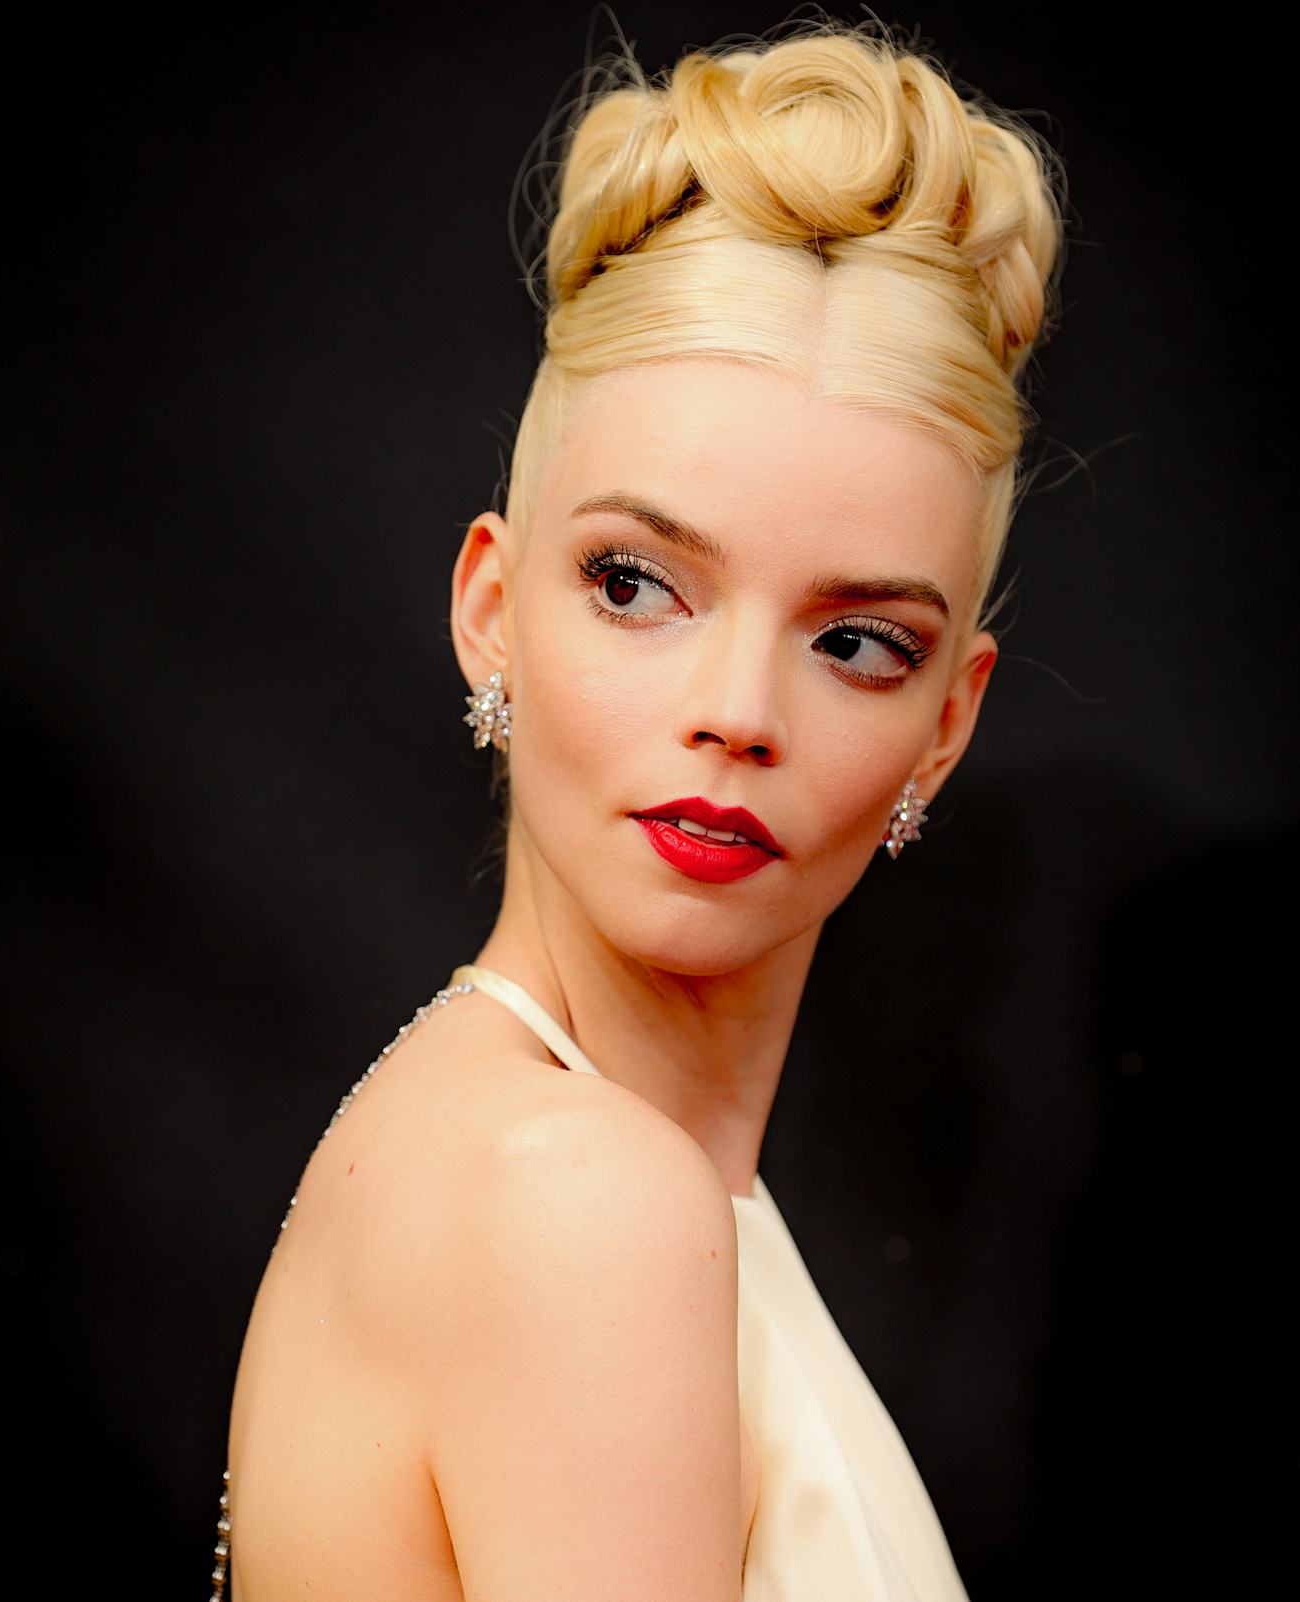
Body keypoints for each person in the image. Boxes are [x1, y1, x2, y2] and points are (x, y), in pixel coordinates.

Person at [216, 13, 1066, 1599]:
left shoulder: (496, 1136)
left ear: (947, 723)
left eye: (856, 642)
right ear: (489, 607)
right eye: (635, 583)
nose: (735, 714)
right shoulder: (584, 1204)